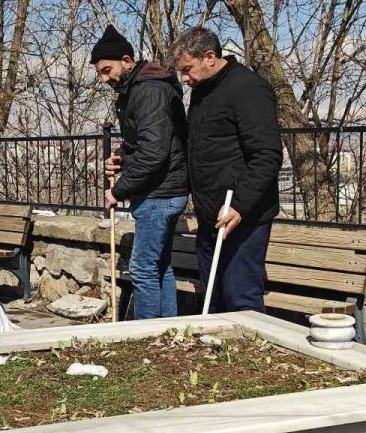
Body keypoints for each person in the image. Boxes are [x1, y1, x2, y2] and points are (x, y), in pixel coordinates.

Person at [170, 27, 282, 313]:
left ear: (209, 57)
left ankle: (250, 357)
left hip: (242, 217)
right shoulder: (203, 91)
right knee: (213, 296)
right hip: (211, 216)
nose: (183, 78)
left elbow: (266, 154)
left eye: (187, 69)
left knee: (240, 298)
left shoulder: (248, 88)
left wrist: (240, 206)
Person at [92, 25, 189, 319]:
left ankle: (143, 335)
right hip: (165, 189)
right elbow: (149, 142)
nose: (103, 78)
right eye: (99, 73)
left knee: (143, 268)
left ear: (127, 60)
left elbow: (154, 152)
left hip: (160, 192)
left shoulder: (148, 90)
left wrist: (118, 190)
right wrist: (122, 156)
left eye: (107, 70)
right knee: (160, 265)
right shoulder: (139, 88)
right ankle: (166, 330)